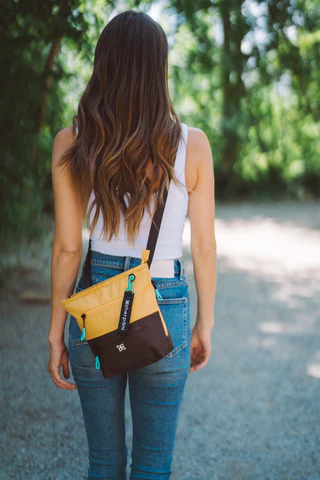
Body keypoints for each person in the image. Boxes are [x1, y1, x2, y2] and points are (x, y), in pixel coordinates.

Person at [47, 9, 217, 480]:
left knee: (103, 462)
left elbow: (66, 248)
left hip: (97, 299)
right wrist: (204, 323)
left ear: (105, 65)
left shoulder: (73, 142)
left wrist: (55, 331)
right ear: (157, 69)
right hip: (166, 302)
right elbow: (203, 247)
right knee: (153, 464)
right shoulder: (192, 145)